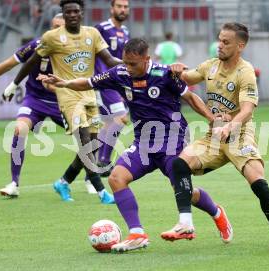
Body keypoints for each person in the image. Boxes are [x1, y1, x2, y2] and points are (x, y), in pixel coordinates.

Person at [39, 38, 233, 253]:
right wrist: (64, 83)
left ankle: (216, 213)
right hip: (143, 143)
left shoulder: (164, 74)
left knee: (183, 188)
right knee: (116, 178)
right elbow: (89, 82)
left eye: (133, 64)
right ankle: (137, 233)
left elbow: (190, 97)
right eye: (125, 62)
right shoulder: (119, 73)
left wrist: (210, 118)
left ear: (146, 59)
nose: (128, 68)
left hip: (172, 138)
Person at [163, 22, 269, 251]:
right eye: (219, 40)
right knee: (179, 165)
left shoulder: (245, 72)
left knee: (259, 183)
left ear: (240, 46)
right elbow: (186, 78)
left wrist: (229, 126)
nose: (219, 45)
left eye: (225, 42)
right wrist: (173, 70)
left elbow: (247, 109)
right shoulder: (210, 66)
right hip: (213, 138)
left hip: (239, 136)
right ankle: (186, 223)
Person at [5, 0, 122, 203]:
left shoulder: (92, 34)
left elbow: (110, 60)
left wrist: (133, 65)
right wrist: (15, 84)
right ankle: (102, 192)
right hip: (67, 96)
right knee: (84, 141)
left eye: (76, 11)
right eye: (68, 12)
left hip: (88, 93)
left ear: (82, 13)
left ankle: (63, 182)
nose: (72, 15)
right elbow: (31, 61)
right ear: (64, 13)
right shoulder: (52, 37)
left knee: (93, 144)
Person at [0, 14, 87, 198]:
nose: (55, 31)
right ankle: (14, 183)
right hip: (35, 100)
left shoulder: (78, 52)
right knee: (19, 129)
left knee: (89, 140)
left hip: (63, 102)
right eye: (53, 26)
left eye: (60, 28)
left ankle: (71, 181)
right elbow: (8, 64)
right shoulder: (38, 45)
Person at [94, 0, 130, 176]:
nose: (123, 10)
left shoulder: (125, 31)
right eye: (119, 6)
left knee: (109, 123)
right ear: (111, 8)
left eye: (125, 7)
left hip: (118, 84)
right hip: (104, 82)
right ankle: (105, 161)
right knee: (121, 118)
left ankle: (96, 160)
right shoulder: (101, 28)